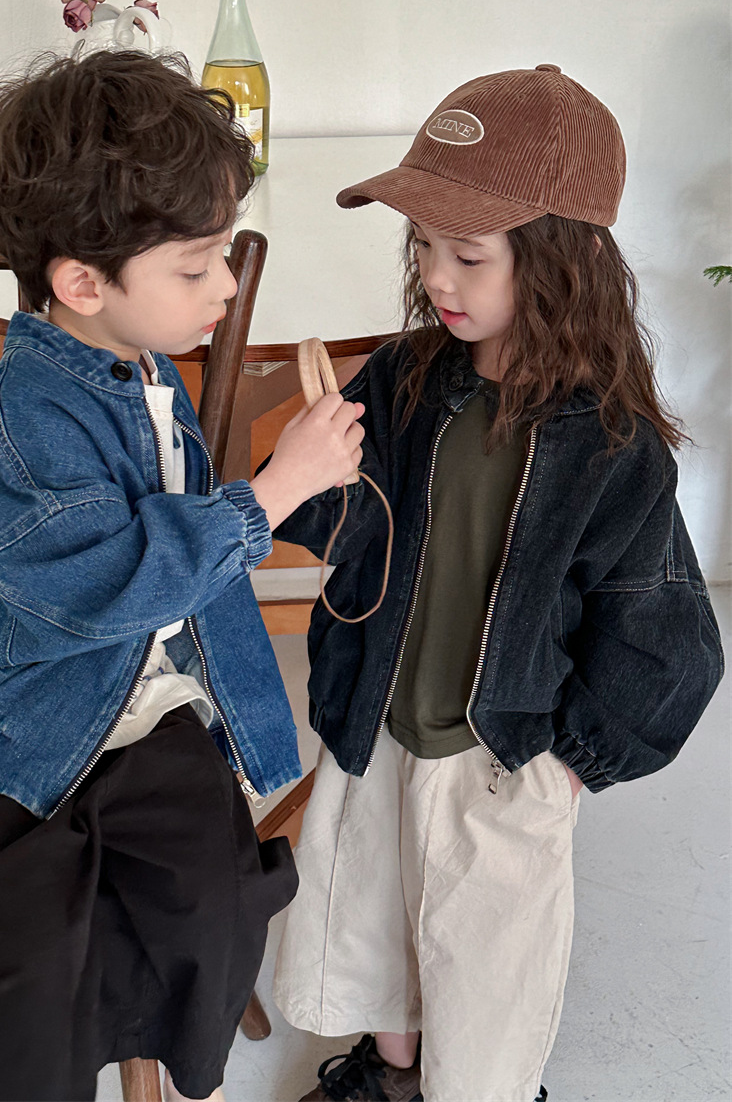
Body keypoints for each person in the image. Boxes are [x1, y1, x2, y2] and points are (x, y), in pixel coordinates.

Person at [0, 50, 365, 1102]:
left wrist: (293, 489)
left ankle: (165, 1035)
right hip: (23, 694)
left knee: (206, 892)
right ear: (83, 283)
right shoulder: (26, 415)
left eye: (222, 258)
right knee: (6, 944)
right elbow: (105, 585)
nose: (226, 287)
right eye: (197, 267)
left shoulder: (139, 369)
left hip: (140, 687)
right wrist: (269, 494)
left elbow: (166, 570)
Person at [270, 64, 724, 1102]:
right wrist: (311, 472)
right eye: (422, 245)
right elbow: (351, 534)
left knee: (487, 964)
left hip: (500, 757)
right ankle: (390, 1072)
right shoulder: (403, 378)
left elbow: (669, 641)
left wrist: (569, 766)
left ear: (566, 262)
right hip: (379, 724)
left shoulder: (612, 445)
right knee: (378, 919)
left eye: (468, 253)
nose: (438, 276)